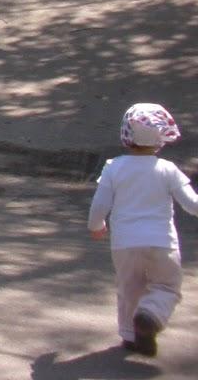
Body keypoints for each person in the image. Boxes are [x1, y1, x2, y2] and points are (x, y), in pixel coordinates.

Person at [88, 103, 198, 356]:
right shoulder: (168, 170)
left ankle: (129, 335)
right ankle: (150, 315)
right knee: (168, 286)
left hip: (125, 243)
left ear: (126, 136)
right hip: (162, 242)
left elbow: (100, 204)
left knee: (129, 288)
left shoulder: (113, 167)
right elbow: (192, 204)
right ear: (161, 139)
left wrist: (96, 225)